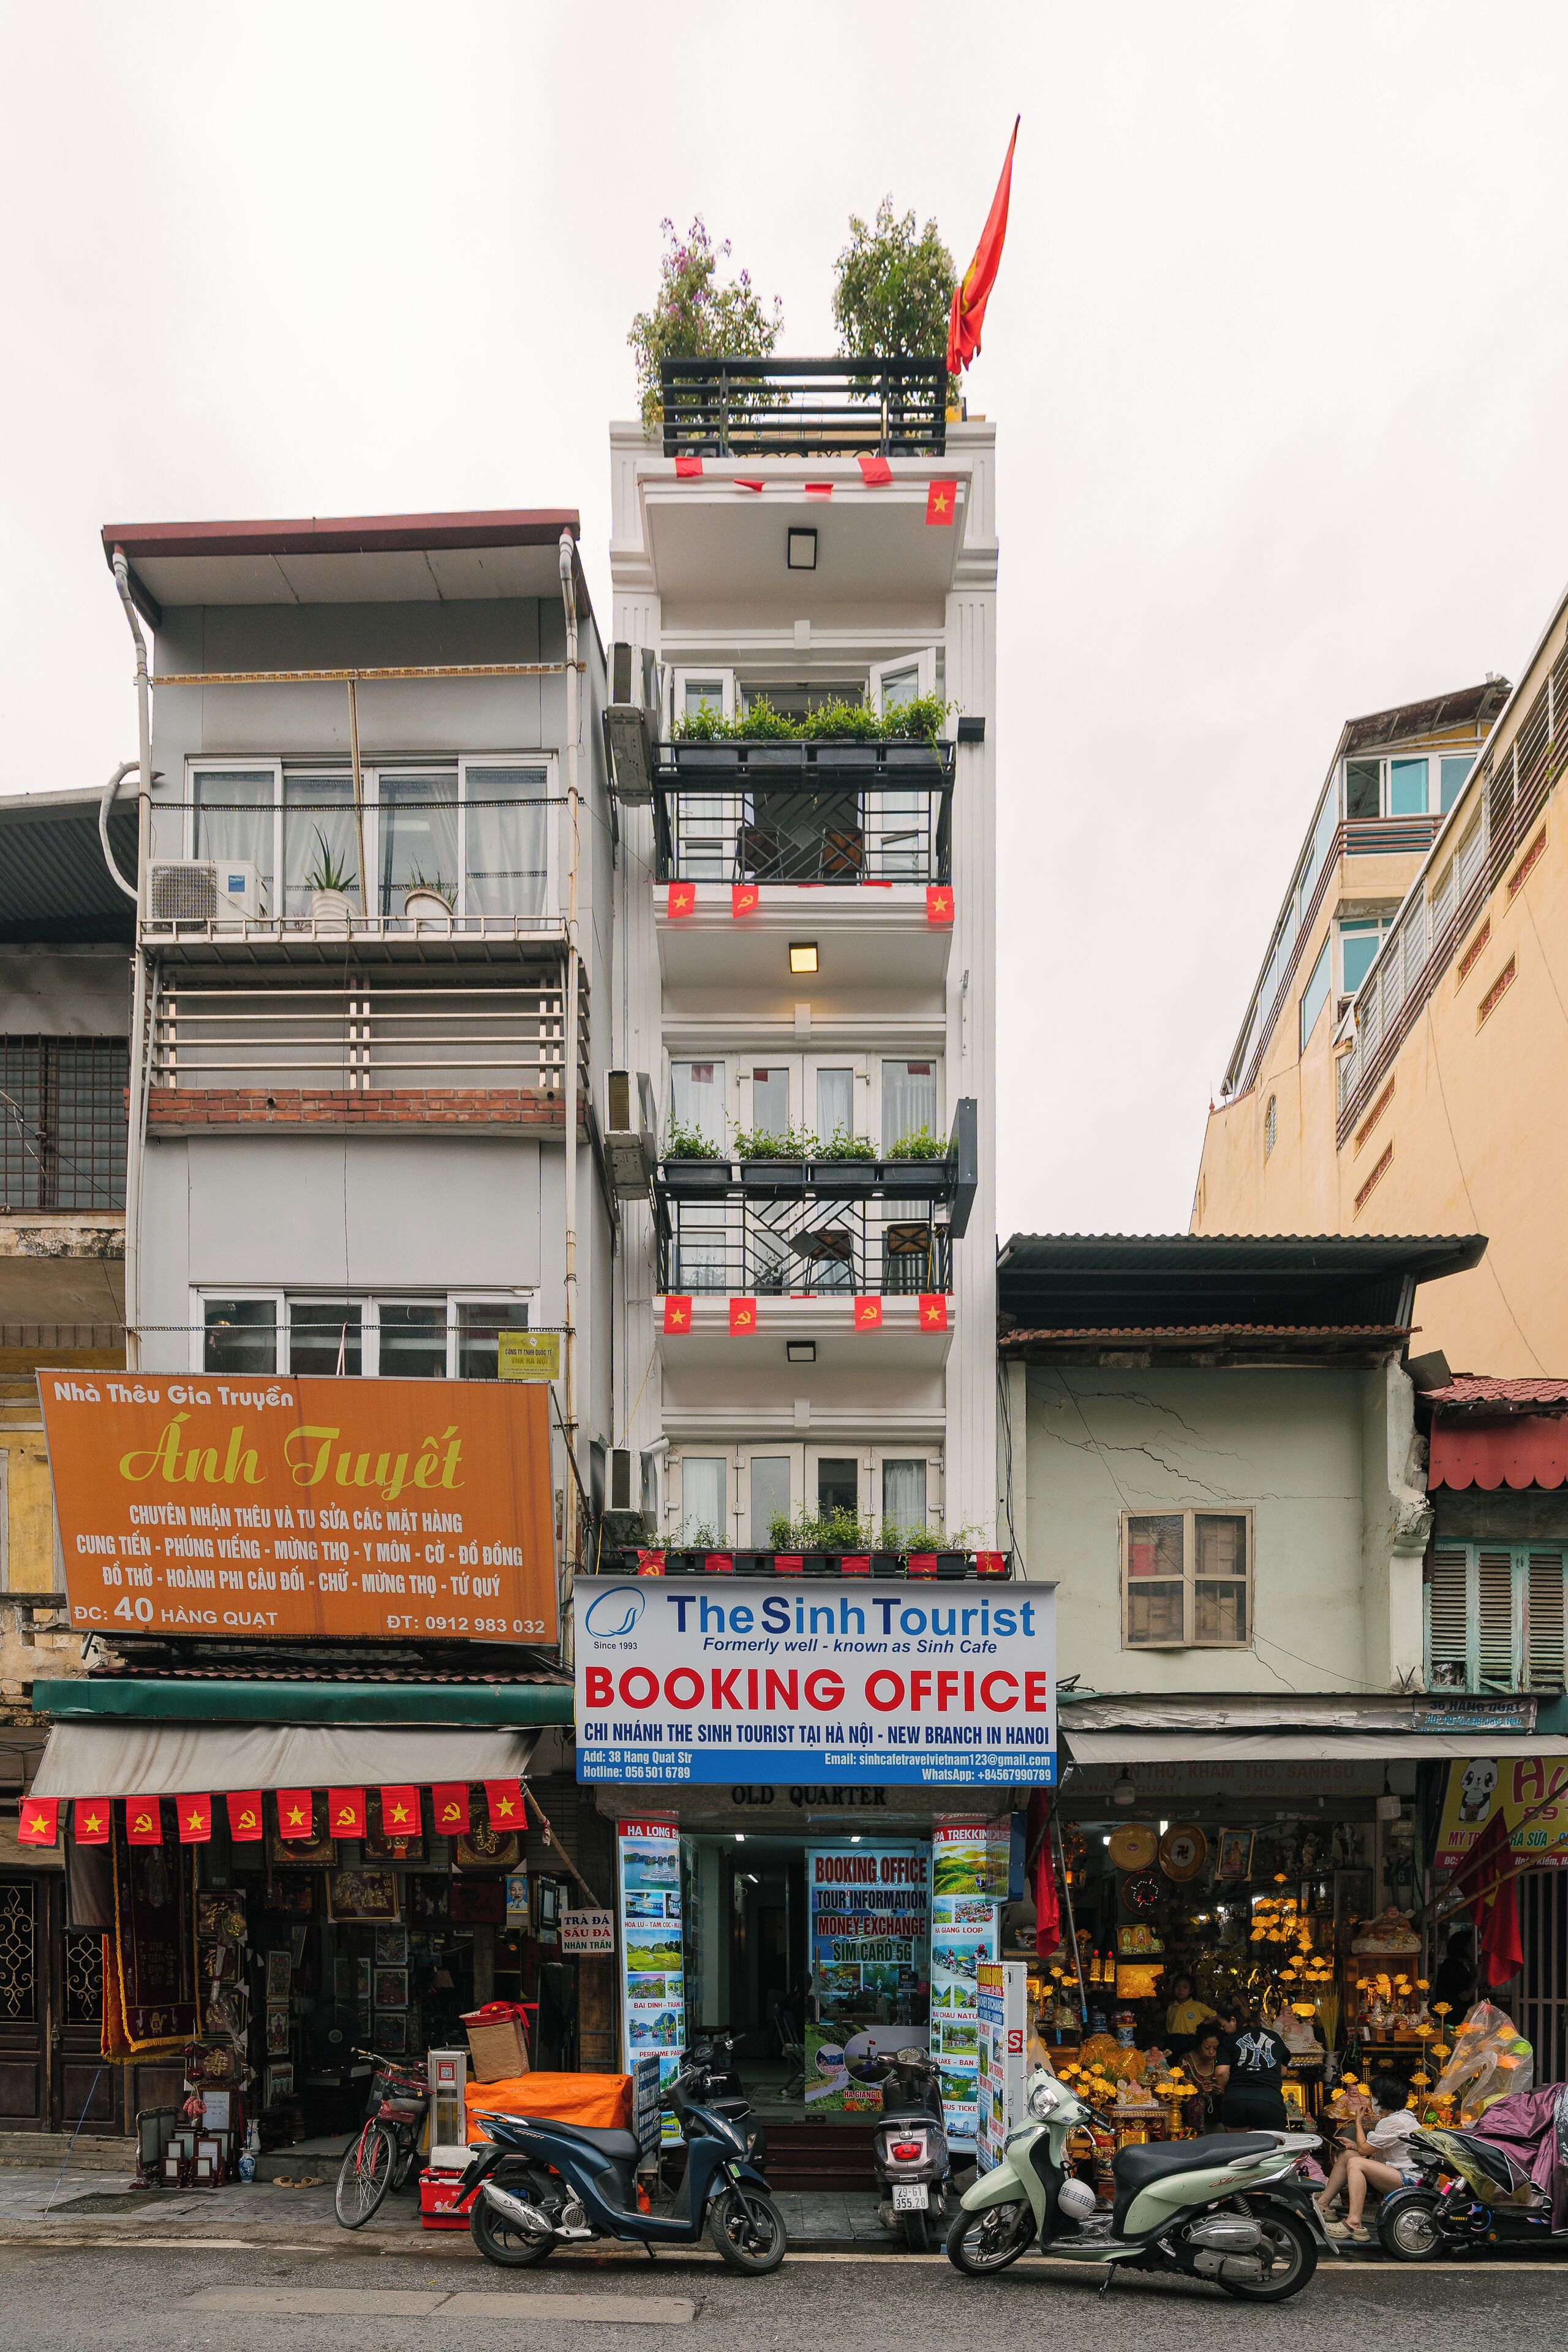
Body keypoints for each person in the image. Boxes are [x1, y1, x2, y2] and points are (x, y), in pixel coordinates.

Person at [1314, 2075, 1421, 2242]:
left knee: (1356, 2162)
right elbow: (1371, 2150)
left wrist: (1358, 2122)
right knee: (1348, 2154)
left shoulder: (1394, 2122)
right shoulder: (1401, 2118)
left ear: (1381, 2099)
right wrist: (1354, 2146)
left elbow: (1364, 2151)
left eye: (1374, 2096)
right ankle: (1323, 2205)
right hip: (1399, 2174)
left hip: (1410, 2180)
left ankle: (1354, 2223)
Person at [1216, 2000, 1291, 2132]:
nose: (1224, 2030)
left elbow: (1222, 2072)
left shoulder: (1229, 2040)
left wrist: (1226, 2089)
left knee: (1239, 2150)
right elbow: (1282, 2071)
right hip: (1269, 2101)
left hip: (1236, 2100)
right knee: (1269, 2151)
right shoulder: (1275, 2037)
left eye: (1223, 2025)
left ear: (1233, 2020)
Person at [1184, 2022, 1227, 2134]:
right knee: (1195, 2100)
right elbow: (1185, 2091)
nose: (1212, 2052)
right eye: (1207, 2048)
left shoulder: (1221, 2060)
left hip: (1216, 2110)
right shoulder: (1187, 2061)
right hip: (1193, 2106)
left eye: (1215, 2048)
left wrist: (1221, 2089)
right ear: (1199, 2045)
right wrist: (1199, 2089)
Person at [1164, 1971, 1216, 2056]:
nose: (1181, 1990)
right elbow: (1169, 2026)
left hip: (1191, 2040)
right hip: (1174, 2040)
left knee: (1191, 2062)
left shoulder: (1198, 2006)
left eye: (1185, 1987)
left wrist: (1204, 2023)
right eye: (1178, 1987)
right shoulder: (1172, 2007)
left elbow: (1215, 2016)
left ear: (1191, 1990)